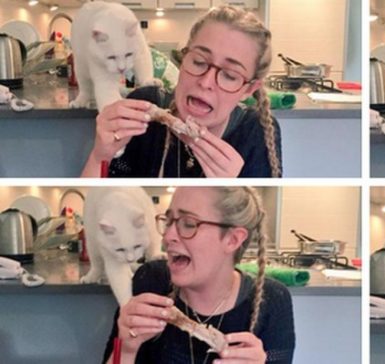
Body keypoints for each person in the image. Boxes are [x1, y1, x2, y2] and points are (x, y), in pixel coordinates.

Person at [81, 6, 282, 178]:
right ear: (183, 58)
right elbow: (107, 201)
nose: (205, 82)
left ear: (248, 89)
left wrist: (231, 188)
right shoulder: (144, 114)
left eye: (229, 75)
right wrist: (100, 155)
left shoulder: (256, 131)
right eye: (198, 61)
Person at [102, 187, 295, 363]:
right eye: (168, 221)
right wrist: (126, 349)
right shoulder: (151, 280)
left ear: (232, 239)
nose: (168, 236)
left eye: (188, 224)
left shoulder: (273, 300)